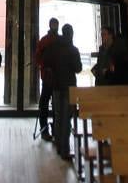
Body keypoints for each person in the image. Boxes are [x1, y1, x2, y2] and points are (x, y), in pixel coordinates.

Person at [44, 23, 82, 161]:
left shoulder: (54, 47)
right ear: (71, 34)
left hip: (56, 86)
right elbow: (78, 68)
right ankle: (64, 149)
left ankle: (59, 144)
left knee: (58, 116)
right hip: (68, 87)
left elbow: (46, 61)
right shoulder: (73, 50)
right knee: (66, 118)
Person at [35, 17, 59, 141]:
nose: (55, 26)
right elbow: (38, 58)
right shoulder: (47, 41)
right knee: (48, 104)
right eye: (54, 24)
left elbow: (38, 59)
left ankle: (50, 129)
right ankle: (48, 129)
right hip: (50, 78)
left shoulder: (45, 40)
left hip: (51, 77)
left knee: (49, 104)